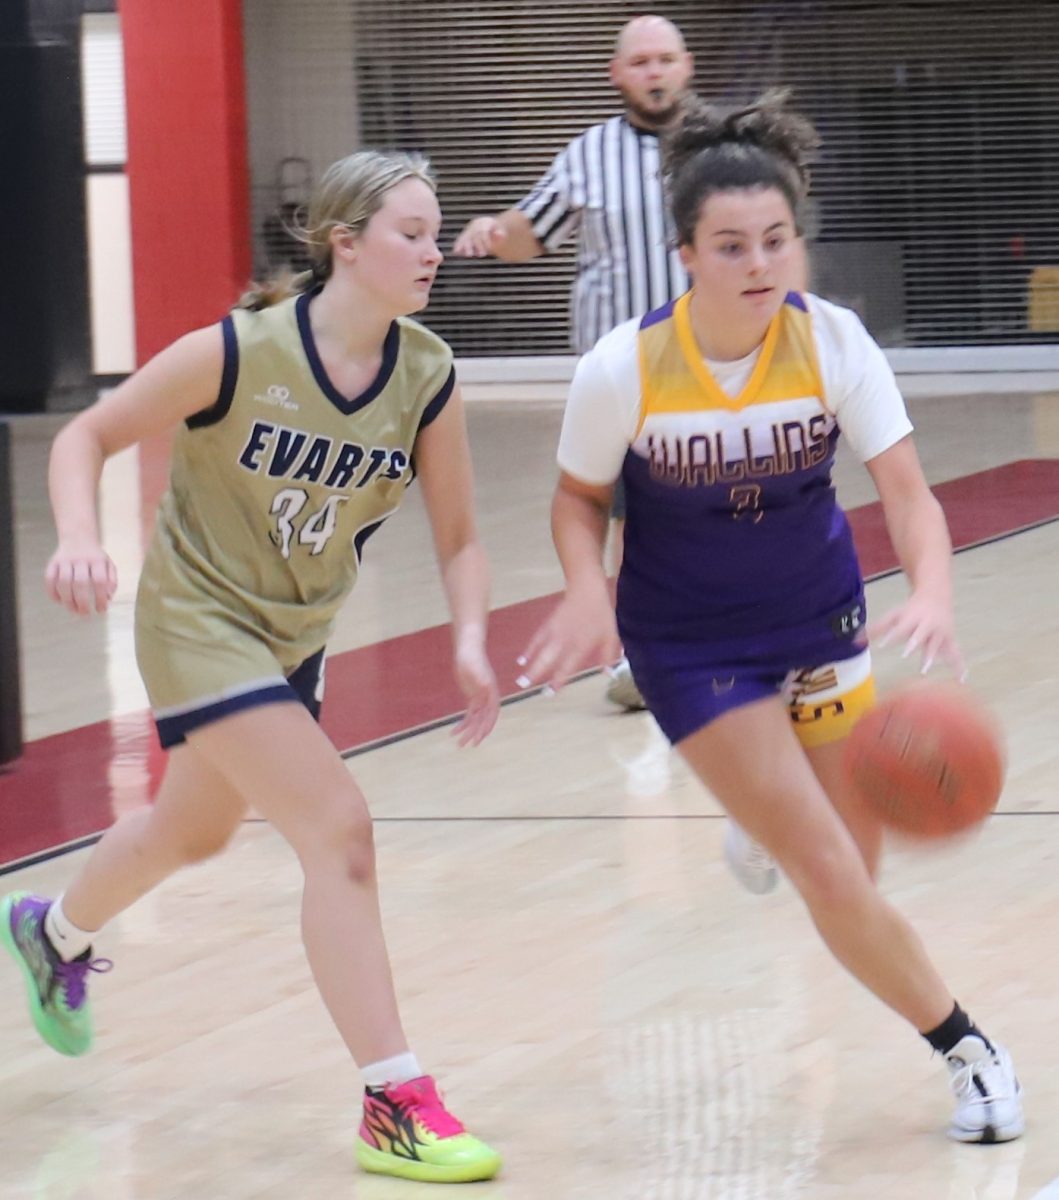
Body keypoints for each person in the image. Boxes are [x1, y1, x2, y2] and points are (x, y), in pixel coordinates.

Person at [518, 91, 1024, 1145]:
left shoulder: (832, 341)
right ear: (686, 253)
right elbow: (576, 500)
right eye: (732, 244)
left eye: (777, 240)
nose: (759, 263)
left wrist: (928, 587)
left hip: (819, 624)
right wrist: (582, 590)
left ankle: (764, 822)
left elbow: (907, 489)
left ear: (800, 241)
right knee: (833, 874)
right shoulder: (626, 368)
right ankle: (972, 1052)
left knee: (849, 871)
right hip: (690, 646)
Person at [0, 150, 502, 1184]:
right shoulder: (237, 353)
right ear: (345, 245)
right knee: (340, 829)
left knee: (196, 829)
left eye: (438, 231)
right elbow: (85, 436)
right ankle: (394, 1100)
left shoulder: (426, 375)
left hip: (291, 637)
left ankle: (54, 933)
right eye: (411, 232)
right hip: (195, 618)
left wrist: (465, 638)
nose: (433, 250)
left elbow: (459, 533)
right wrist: (79, 537)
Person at [453, 14, 695, 712]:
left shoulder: (718, 150)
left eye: (665, 59)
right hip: (622, 378)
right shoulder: (587, 155)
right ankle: (638, 660)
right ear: (618, 76)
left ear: (687, 68)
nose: (653, 72)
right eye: (640, 61)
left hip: (713, 367)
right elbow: (532, 230)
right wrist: (489, 231)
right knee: (629, 519)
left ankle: (744, 645)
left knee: (732, 507)